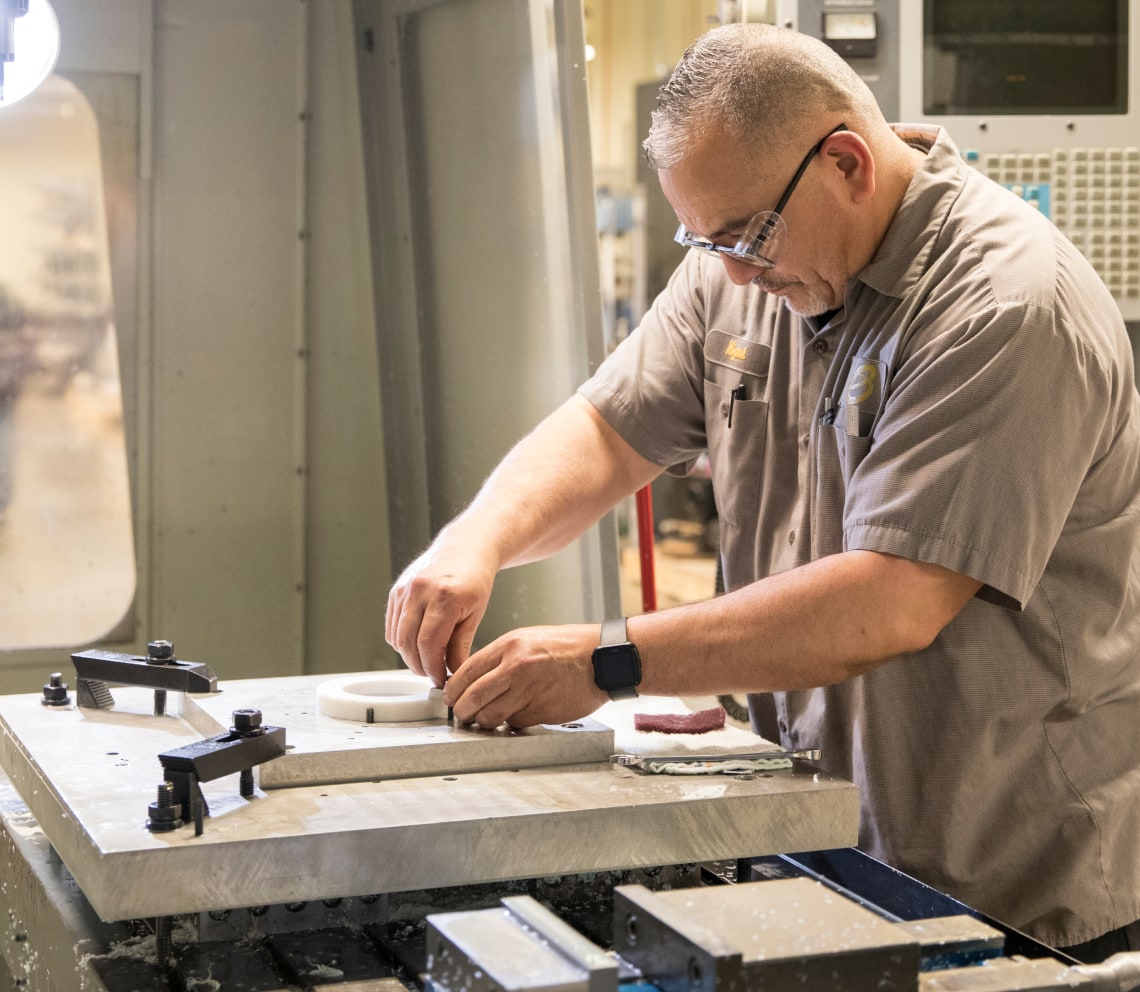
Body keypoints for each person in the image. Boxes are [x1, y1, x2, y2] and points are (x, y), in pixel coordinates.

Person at [385, 23, 1140, 961]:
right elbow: (610, 429)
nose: (734, 269)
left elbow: (892, 600)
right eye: (705, 239)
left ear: (846, 163)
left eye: (746, 235)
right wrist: (474, 542)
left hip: (1007, 883)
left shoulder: (1005, 303)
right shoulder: (744, 267)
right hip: (817, 837)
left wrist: (606, 659)